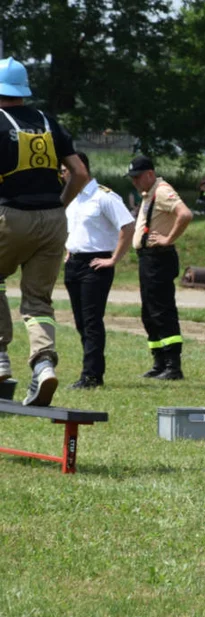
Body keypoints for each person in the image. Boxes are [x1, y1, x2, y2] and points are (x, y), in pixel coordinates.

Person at [0, 57, 89, 406]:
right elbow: (79, 172)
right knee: (37, 301)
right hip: (53, 220)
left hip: (11, 215)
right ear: (23, 91)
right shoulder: (47, 122)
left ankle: (1, 358)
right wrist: (60, 206)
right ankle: (44, 365)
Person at [61, 152, 135, 390]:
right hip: (74, 263)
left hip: (96, 264)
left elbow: (127, 225)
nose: (61, 175)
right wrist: (68, 250)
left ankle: (91, 375)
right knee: (81, 321)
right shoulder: (71, 198)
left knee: (92, 321)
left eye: (63, 170)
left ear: (78, 168)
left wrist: (113, 258)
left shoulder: (104, 196)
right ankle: (91, 371)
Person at [128, 155, 192, 381]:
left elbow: (185, 214)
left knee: (161, 311)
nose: (134, 182)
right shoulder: (148, 193)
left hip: (159, 258)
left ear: (150, 174)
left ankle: (173, 366)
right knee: (149, 312)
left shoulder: (162, 191)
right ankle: (159, 362)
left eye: (137, 177)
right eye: (132, 179)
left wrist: (167, 238)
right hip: (148, 259)